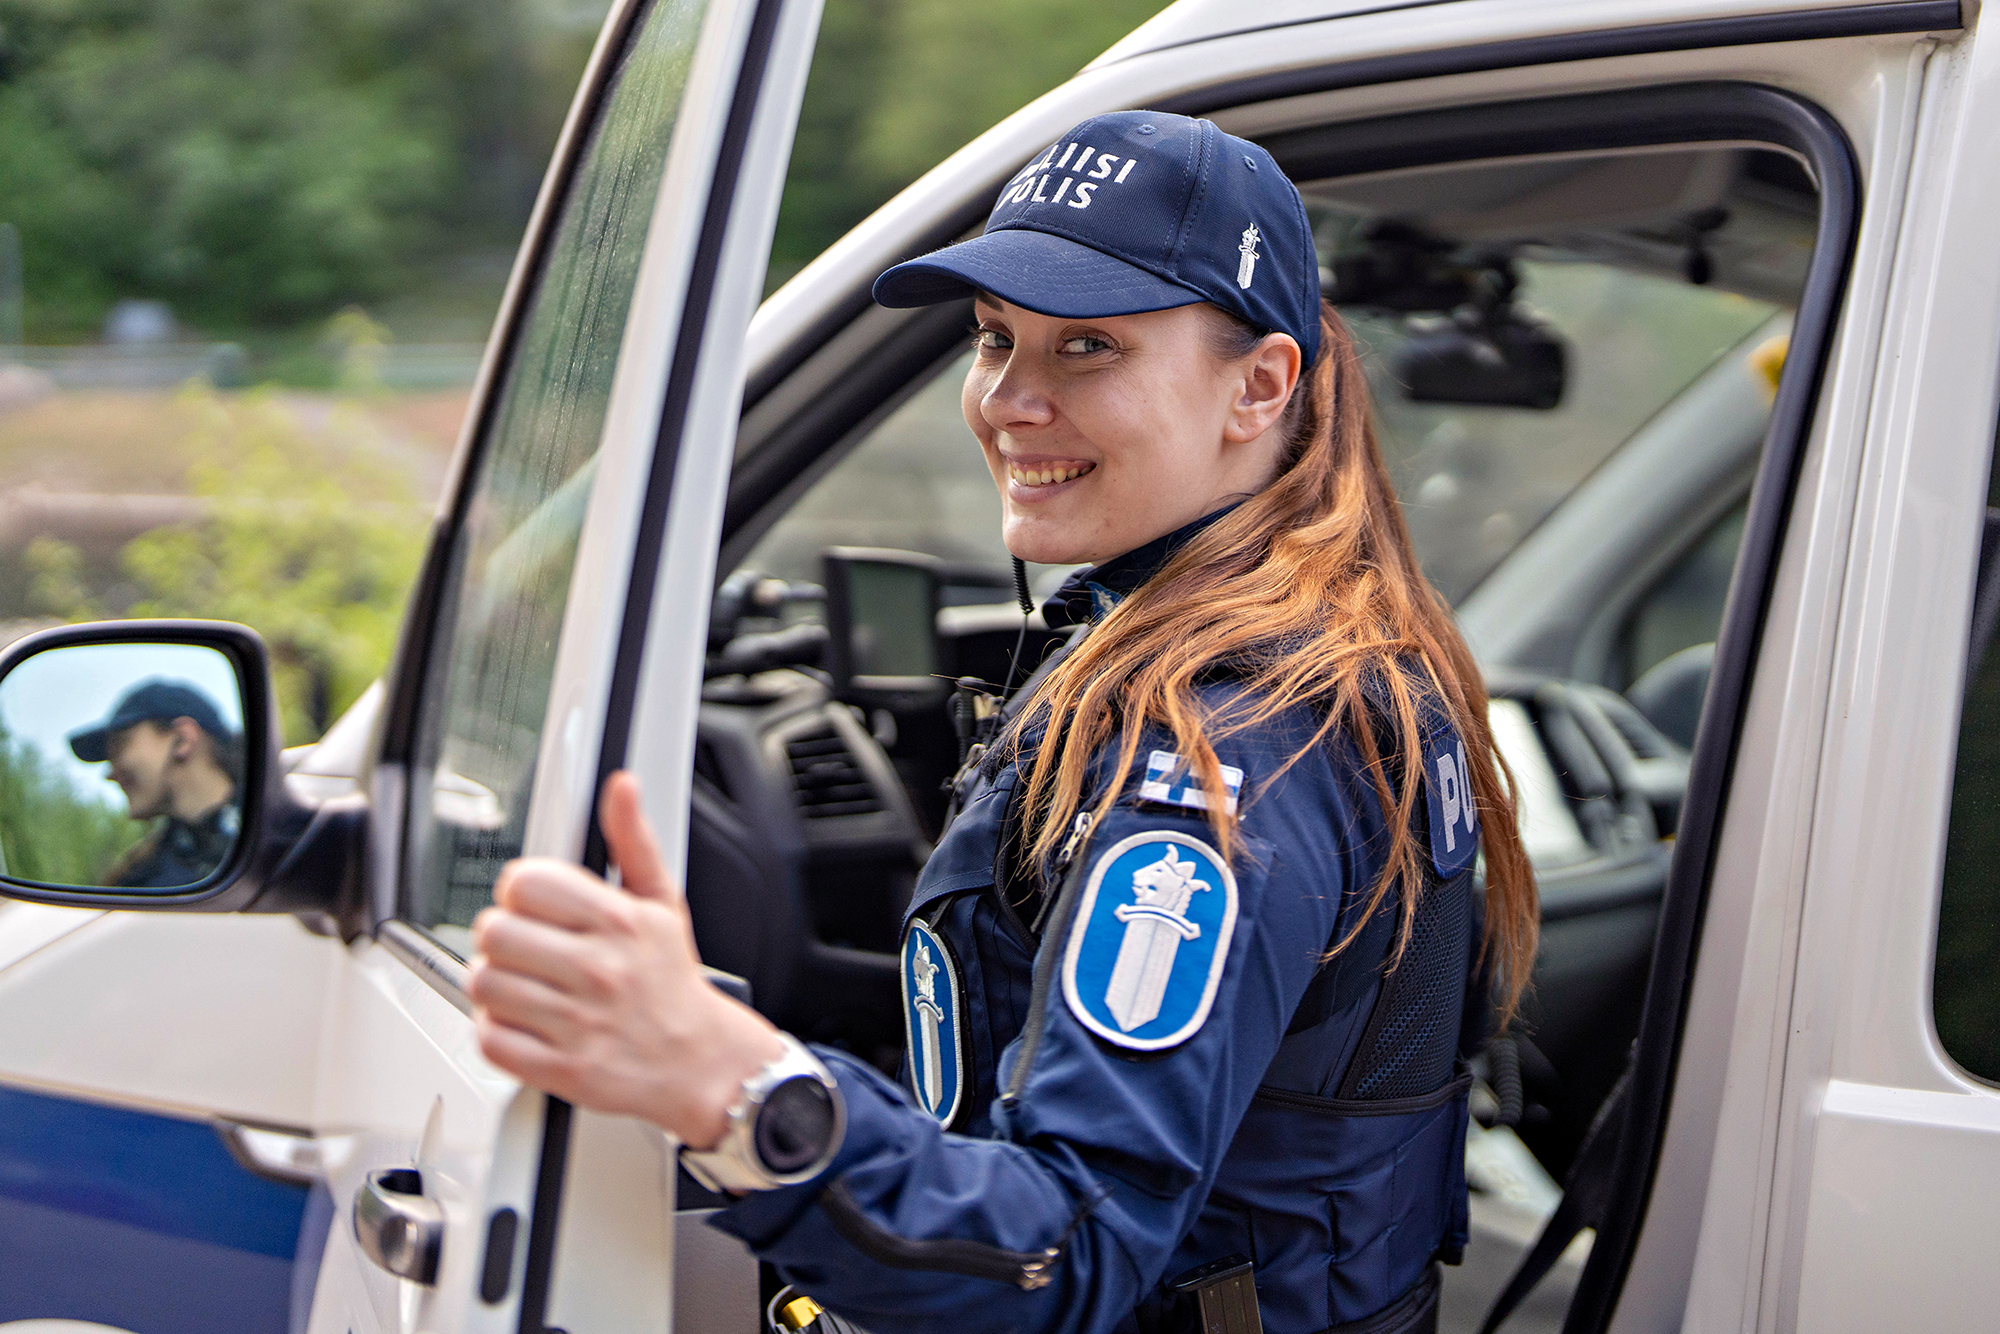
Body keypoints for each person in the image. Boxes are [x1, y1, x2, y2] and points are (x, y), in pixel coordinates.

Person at [466, 110, 1537, 1334]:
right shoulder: (1337, 642)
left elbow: (1066, 1243)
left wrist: (726, 1077)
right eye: (992, 340)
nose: (1009, 401)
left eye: (1086, 345)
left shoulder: (1229, 740)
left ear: (1259, 384)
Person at [67, 678, 243, 889]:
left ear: (183, 739)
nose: (110, 774)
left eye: (119, 746)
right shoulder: (140, 881)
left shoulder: (281, 831)